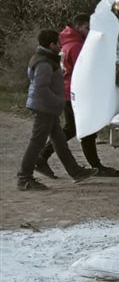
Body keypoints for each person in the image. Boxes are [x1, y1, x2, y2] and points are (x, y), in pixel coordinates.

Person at [35, 14, 119, 178]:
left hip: (67, 91)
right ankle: (96, 167)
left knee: (72, 128)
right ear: (79, 26)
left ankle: (42, 157)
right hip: (76, 92)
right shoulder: (76, 46)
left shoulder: (66, 43)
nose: (89, 32)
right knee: (82, 129)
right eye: (87, 28)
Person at [17, 30, 98, 190]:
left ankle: (75, 172)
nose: (60, 46)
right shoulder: (45, 63)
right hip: (44, 107)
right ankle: (24, 178)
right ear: (51, 45)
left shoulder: (44, 59)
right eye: (57, 43)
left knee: (60, 142)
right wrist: (58, 101)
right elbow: (41, 87)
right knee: (36, 143)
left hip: (46, 107)